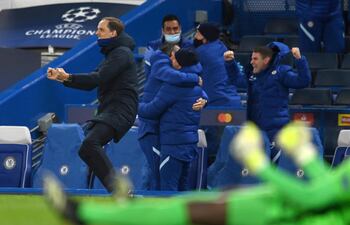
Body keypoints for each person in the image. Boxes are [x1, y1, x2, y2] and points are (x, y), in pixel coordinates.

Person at [44, 121, 350, 225]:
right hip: (276, 205)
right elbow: (329, 188)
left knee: (183, 209)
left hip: (281, 213)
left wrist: (258, 164)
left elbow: (310, 196)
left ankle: (87, 215)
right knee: (184, 207)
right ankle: (101, 214)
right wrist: (307, 157)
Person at [46, 17, 138, 192]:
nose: (97, 33)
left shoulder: (121, 53)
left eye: (101, 30)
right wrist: (63, 77)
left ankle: (121, 190)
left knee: (90, 144)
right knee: (85, 149)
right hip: (112, 109)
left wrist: (67, 77)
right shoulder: (114, 54)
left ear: (113, 33)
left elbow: (97, 78)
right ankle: (120, 191)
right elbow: (90, 82)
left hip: (120, 109)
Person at [225, 42, 311, 162]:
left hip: (276, 130)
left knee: (275, 166)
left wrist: (299, 59)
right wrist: (230, 63)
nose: (252, 62)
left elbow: (303, 81)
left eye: (255, 59)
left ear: (266, 60)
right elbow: (237, 81)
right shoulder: (253, 76)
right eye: (251, 58)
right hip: (255, 130)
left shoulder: (281, 73)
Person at [138, 43, 205, 190]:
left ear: (179, 62)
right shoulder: (195, 84)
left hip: (170, 141)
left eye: (174, 58)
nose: (171, 60)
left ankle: (160, 213)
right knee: (181, 184)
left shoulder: (174, 85)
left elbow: (151, 110)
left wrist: (133, 106)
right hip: (188, 142)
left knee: (164, 185)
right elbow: (201, 93)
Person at [193, 22, 242, 164]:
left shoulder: (201, 52)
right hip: (234, 105)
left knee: (213, 152)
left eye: (198, 33)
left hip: (216, 107)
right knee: (230, 150)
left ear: (204, 36)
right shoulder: (222, 47)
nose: (195, 36)